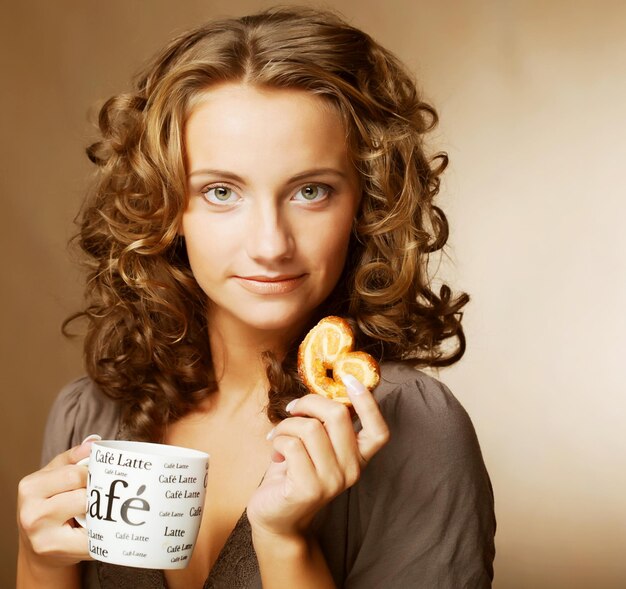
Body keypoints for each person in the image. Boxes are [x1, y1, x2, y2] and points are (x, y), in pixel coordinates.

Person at [16, 6, 496, 588]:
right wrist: (41, 562)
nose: (271, 244)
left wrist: (284, 542)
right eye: (221, 191)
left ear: (364, 206)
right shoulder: (88, 415)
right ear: (166, 208)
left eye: (311, 190)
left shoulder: (416, 427)